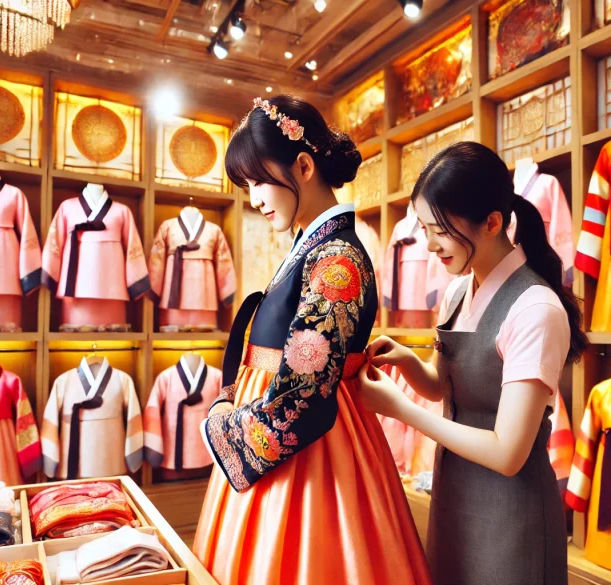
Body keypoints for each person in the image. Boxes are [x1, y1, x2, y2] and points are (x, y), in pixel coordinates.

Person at [193, 95, 431, 585]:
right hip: (288, 438)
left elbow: (304, 393)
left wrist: (224, 423)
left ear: (302, 166)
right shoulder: (313, 248)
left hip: (315, 449)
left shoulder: (336, 259)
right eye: (246, 184)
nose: (254, 197)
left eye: (259, 181)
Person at [358, 141, 587, 585]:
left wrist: (401, 410)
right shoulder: (459, 291)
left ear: (492, 223)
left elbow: (507, 453)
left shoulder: (536, 308)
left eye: (440, 230)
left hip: (511, 515)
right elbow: (451, 390)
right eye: (425, 228)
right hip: (453, 499)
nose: (429, 245)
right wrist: (407, 364)